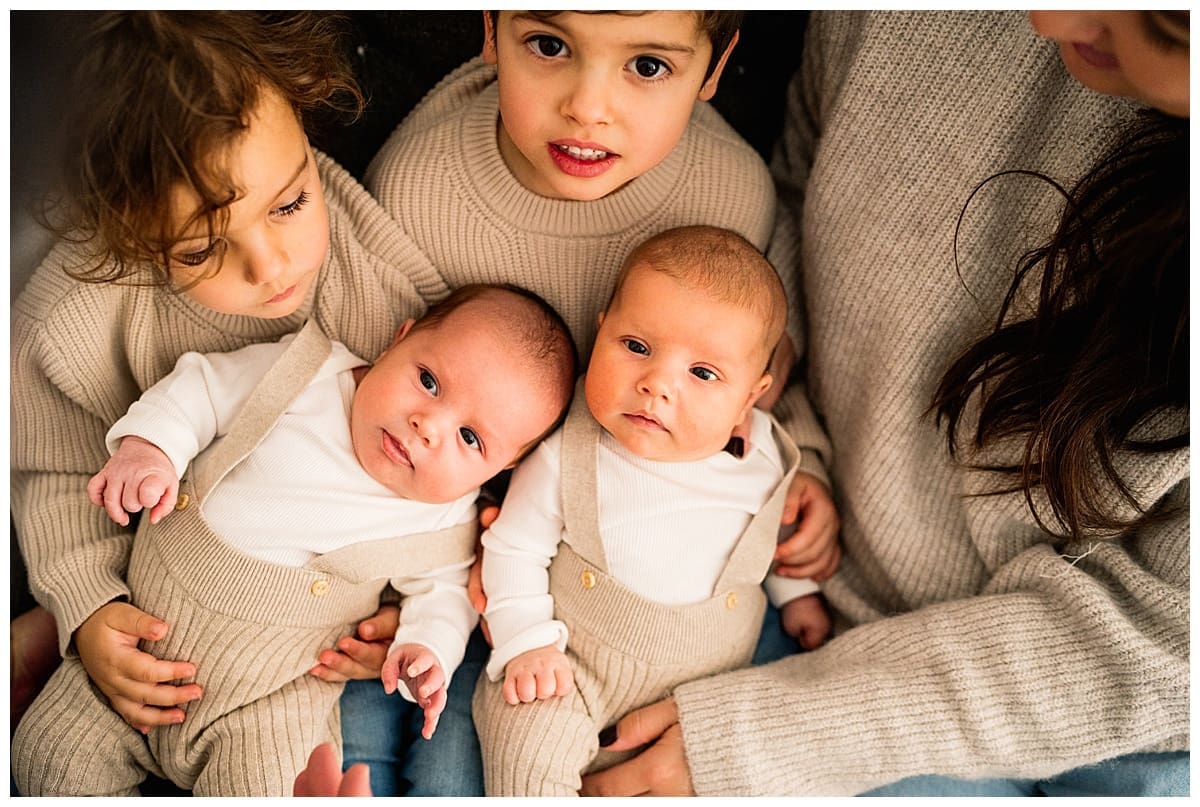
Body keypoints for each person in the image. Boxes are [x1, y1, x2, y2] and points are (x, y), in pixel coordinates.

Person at [577, 10, 1189, 797]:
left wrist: (774, 735)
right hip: (799, 596)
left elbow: (1167, 645)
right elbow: (790, 199)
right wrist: (795, 444)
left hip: (1087, 706)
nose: (1046, 19)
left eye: (1164, 30)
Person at [333, 12, 842, 790]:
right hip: (494, 572)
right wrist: (409, 580)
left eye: (647, 67)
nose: (589, 107)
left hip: (678, 590)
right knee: (455, 761)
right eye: (548, 46)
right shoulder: (423, 190)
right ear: (491, 26)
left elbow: (751, 369)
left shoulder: (729, 192)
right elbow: (384, 400)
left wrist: (798, 468)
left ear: (713, 69)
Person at [6, 10, 472, 797]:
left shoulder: (375, 280)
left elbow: (443, 471)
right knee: (50, 761)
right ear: (117, 221)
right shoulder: (75, 317)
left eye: (289, 205)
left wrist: (410, 622)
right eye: (198, 247)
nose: (271, 265)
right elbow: (51, 473)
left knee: (279, 773)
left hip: (289, 667)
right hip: (147, 618)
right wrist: (86, 603)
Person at [12, 284, 576, 796]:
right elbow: (201, 390)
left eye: (470, 437)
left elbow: (445, 600)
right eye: (427, 381)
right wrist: (151, 448)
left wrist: (426, 651)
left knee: (276, 782)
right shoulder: (302, 374)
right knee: (49, 758)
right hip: (126, 659)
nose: (428, 424)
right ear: (397, 341)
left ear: (503, 468)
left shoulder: (445, 523)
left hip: (269, 704)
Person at [471, 225, 832, 796]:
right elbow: (513, 547)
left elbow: (759, 544)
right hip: (569, 671)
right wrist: (526, 641)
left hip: (705, 689)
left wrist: (797, 595)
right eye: (636, 347)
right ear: (601, 330)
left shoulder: (762, 456)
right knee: (527, 757)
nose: (656, 384)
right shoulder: (568, 449)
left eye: (703, 374)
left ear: (751, 397)